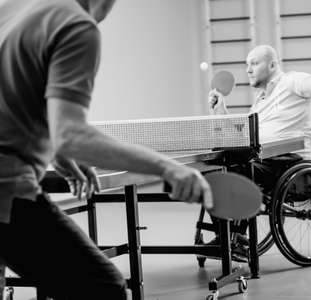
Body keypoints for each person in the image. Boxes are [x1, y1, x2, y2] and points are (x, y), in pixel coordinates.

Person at [0, 0, 212, 299]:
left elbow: (22, 100)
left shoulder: (14, 8)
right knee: (103, 289)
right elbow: (70, 134)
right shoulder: (76, 25)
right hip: (6, 192)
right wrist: (168, 167)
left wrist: (59, 156)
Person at [207, 45, 311, 258]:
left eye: (254, 63)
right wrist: (221, 111)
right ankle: (228, 237)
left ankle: (232, 238)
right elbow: (243, 136)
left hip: (287, 162)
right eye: (247, 65)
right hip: (261, 159)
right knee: (211, 173)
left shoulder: (292, 81)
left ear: (271, 64)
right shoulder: (260, 101)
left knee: (229, 174)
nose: (248, 70)